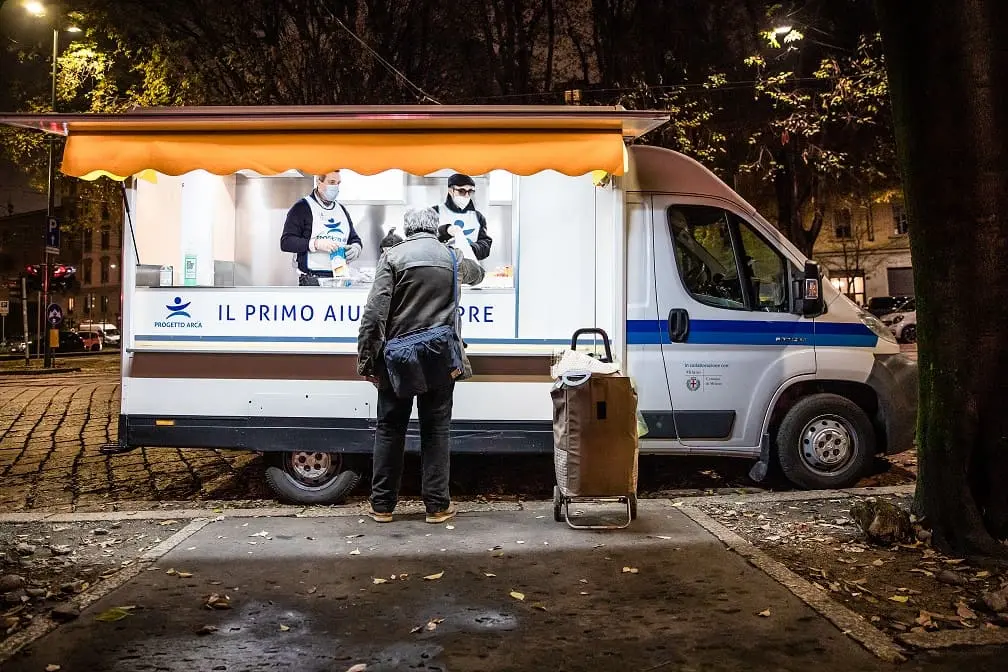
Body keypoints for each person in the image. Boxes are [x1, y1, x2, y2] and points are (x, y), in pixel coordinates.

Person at [357, 206, 484, 524]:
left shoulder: (393, 256)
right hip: (440, 356)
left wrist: (367, 361)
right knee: (436, 429)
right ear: (434, 227)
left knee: (390, 429)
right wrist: (454, 241)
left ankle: (382, 506)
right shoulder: (451, 256)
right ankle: (438, 506)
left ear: (407, 228)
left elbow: (374, 315)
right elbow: (478, 274)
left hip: (397, 358)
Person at [280, 170, 363, 285]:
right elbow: (286, 242)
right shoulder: (302, 207)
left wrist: (356, 248)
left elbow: (354, 238)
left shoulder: (342, 210)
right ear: (319, 182)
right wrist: (315, 244)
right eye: (331, 182)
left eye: (338, 183)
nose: (335, 187)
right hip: (312, 280)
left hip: (340, 279)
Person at [433, 173, 492, 260]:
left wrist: (471, 249)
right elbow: (425, 239)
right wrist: (445, 231)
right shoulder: (435, 212)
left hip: (469, 267)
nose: (467, 196)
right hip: (441, 266)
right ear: (450, 191)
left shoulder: (478, 217)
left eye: (470, 192)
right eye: (461, 191)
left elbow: (485, 244)